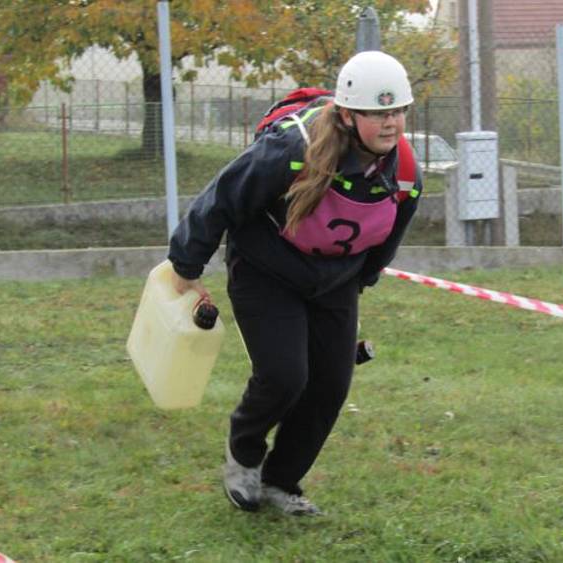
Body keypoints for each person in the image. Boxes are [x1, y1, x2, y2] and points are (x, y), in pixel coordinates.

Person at [167, 50, 422, 516]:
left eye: (398, 111)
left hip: (335, 279)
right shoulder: (290, 150)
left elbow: (390, 235)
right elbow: (222, 197)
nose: (391, 123)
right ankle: (244, 454)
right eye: (378, 113)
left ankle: (281, 481)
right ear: (347, 114)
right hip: (265, 269)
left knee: (330, 385)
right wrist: (186, 264)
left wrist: (359, 280)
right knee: (285, 376)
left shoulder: (405, 173)